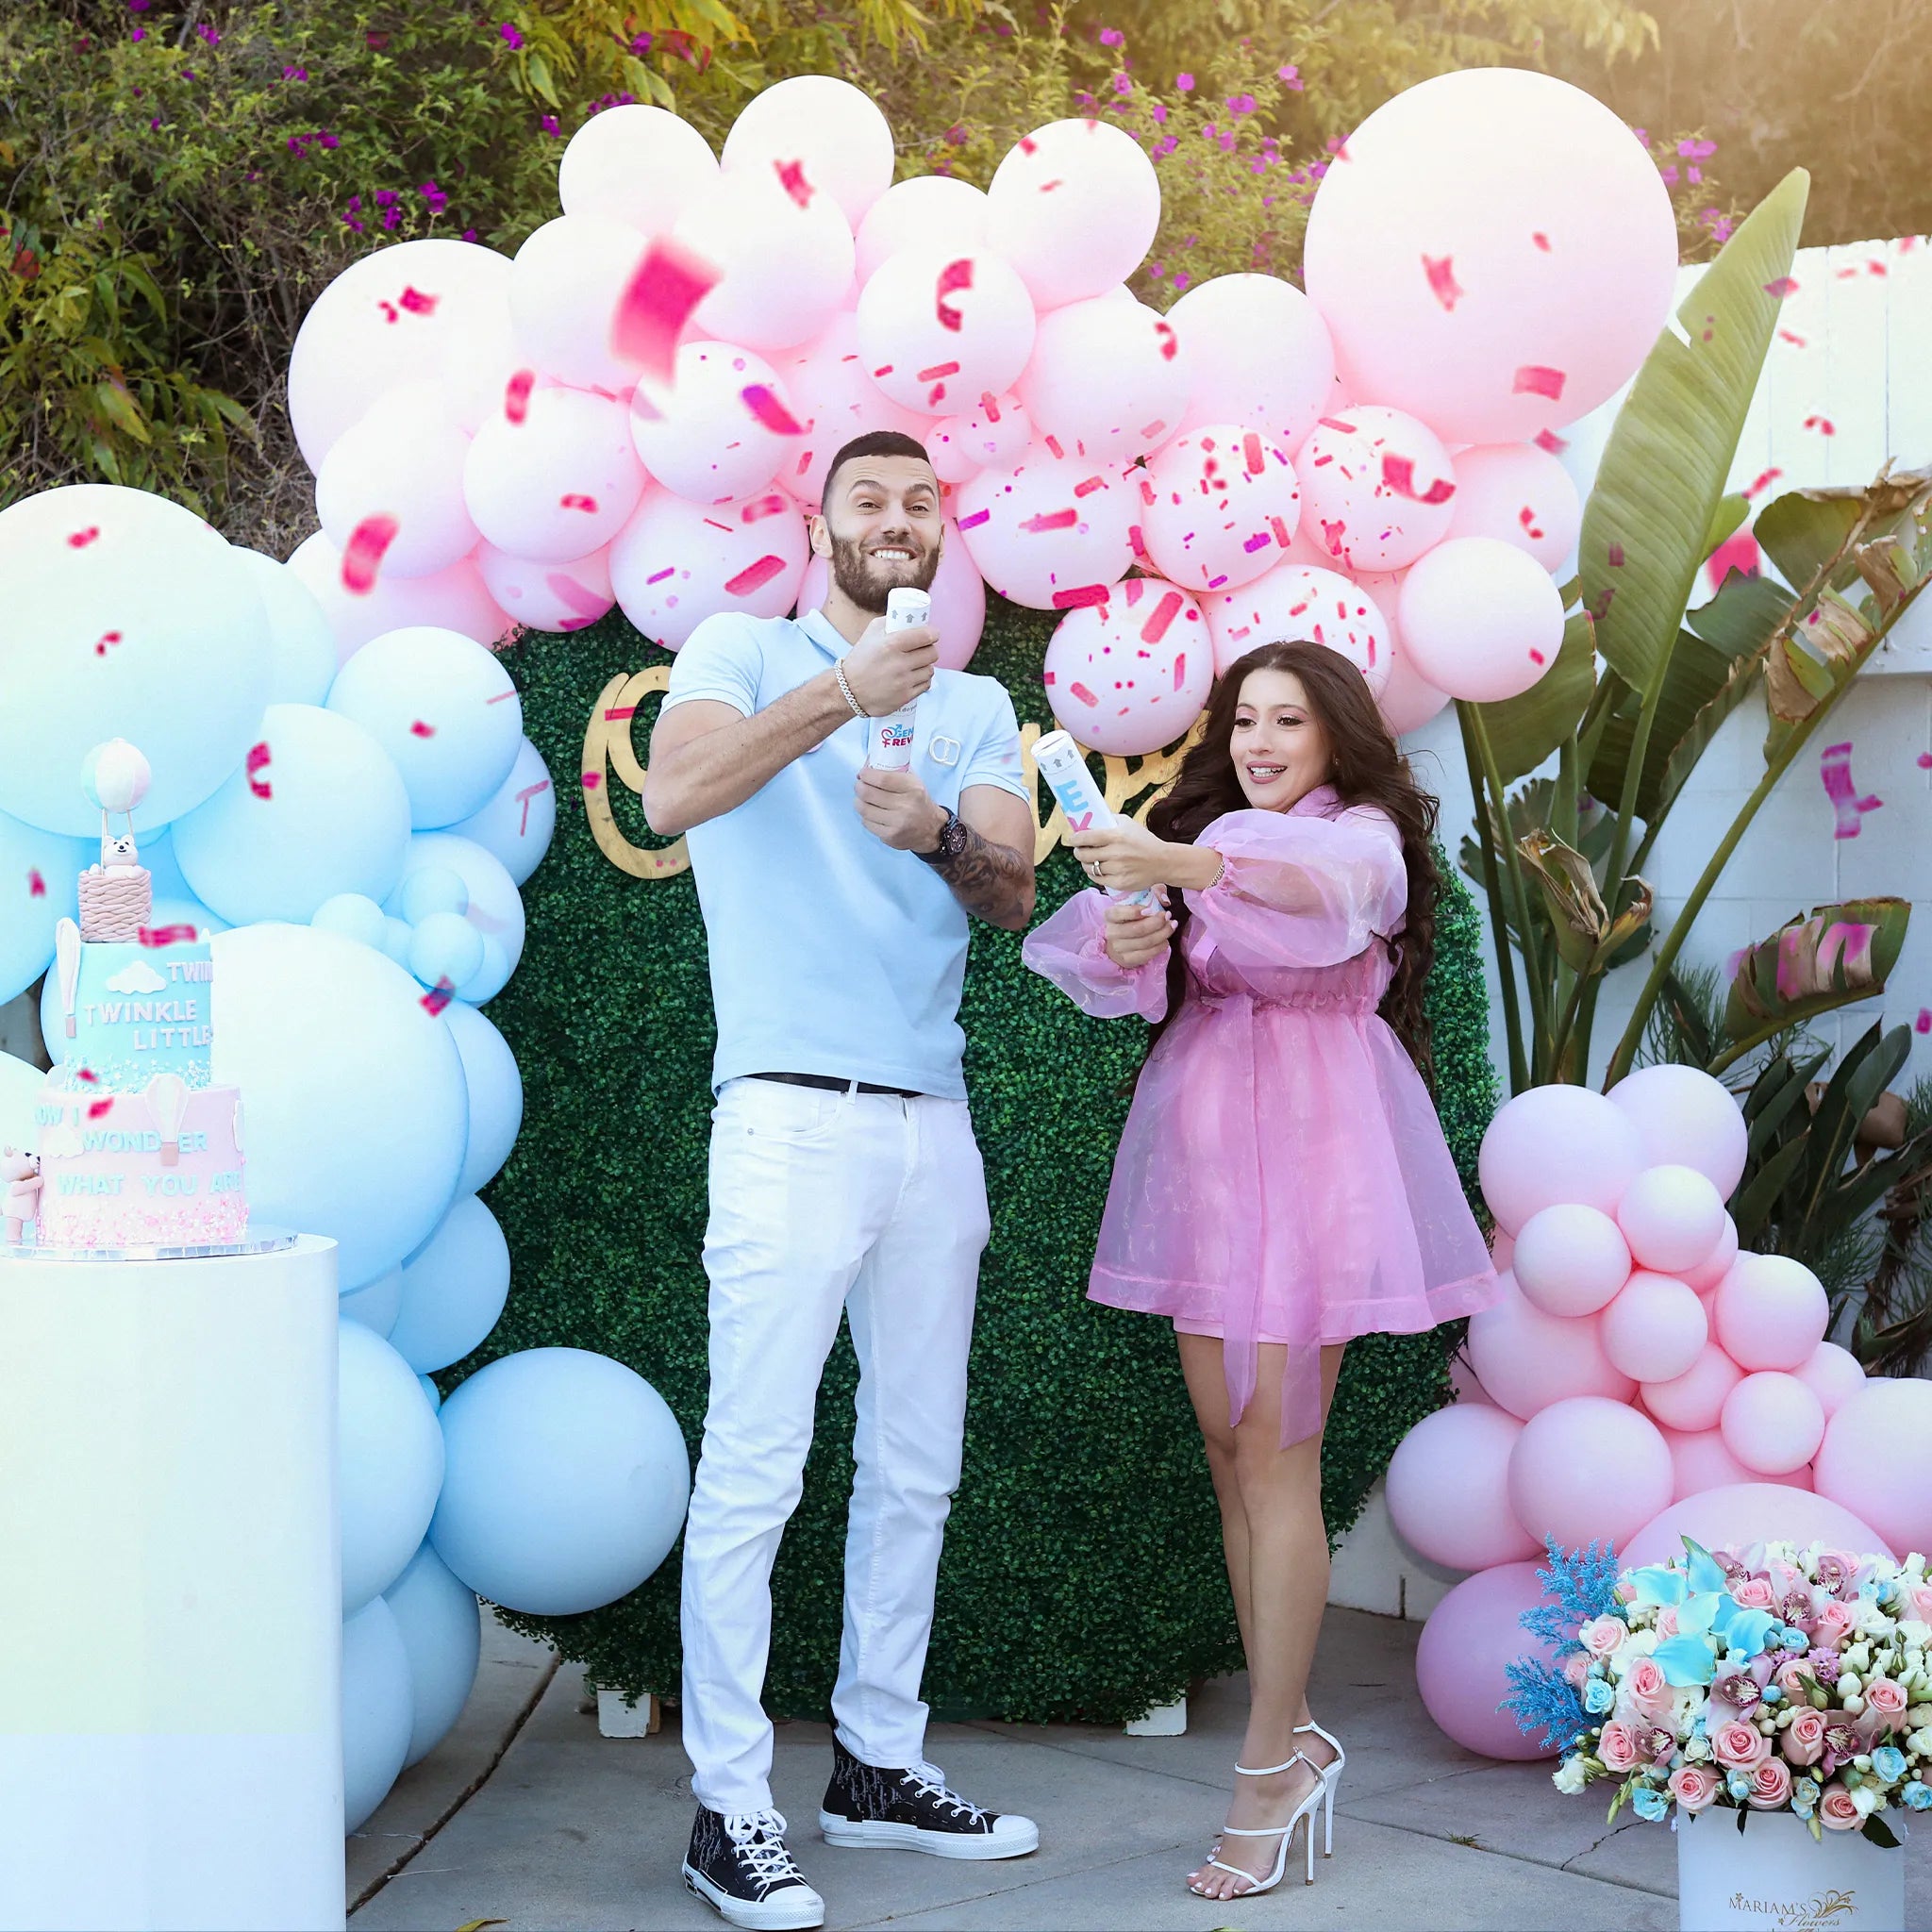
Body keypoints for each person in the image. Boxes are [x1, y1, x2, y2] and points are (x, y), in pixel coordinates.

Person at [1021, 639, 1499, 1902]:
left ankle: (1266, 1769)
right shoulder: (1214, 840)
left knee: (1280, 1459)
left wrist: (1179, 865)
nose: (1260, 742)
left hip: (1312, 1175)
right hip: (1208, 1181)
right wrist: (1138, 929)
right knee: (1235, 1454)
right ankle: (1291, 1741)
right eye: (1244, 720)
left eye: (1288, 720)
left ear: (1336, 734)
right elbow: (1109, 976)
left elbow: (1331, 891)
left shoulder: (1357, 841)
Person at [644, 429, 1041, 1931]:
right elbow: (676, 795)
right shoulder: (740, 649)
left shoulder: (980, 703)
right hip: (787, 1117)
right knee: (756, 1468)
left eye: (920, 503)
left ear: (943, 535)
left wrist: (936, 831)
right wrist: (842, 697)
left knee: (915, 1463)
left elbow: (1011, 891)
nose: (896, 519)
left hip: (933, 1121)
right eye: (867, 500)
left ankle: (878, 1765)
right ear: (820, 528)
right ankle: (728, 1809)